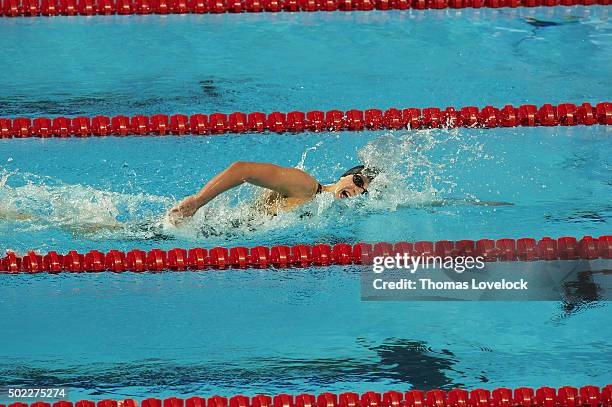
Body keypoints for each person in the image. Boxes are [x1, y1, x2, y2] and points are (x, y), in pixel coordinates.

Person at [167, 161, 378, 224]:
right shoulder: (307, 186)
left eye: (364, 191)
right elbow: (243, 170)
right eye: (358, 180)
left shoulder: (331, 214)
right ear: (344, 176)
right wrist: (199, 200)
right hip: (211, 231)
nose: (357, 190)